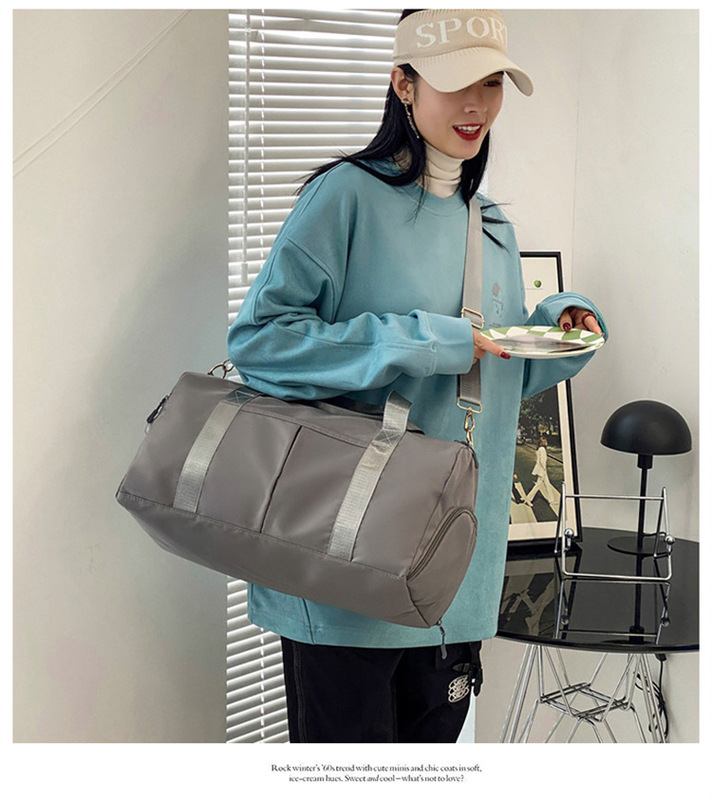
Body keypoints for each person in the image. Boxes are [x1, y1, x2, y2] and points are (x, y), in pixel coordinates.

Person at [227, 8, 606, 743]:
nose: (477, 105)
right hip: (345, 571)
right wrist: (427, 338)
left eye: (492, 83)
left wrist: (560, 330)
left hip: (452, 580)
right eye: (457, 82)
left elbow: (483, 392)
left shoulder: (490, 225)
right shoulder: (345, 196)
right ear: (403, 84)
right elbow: (262, 343)